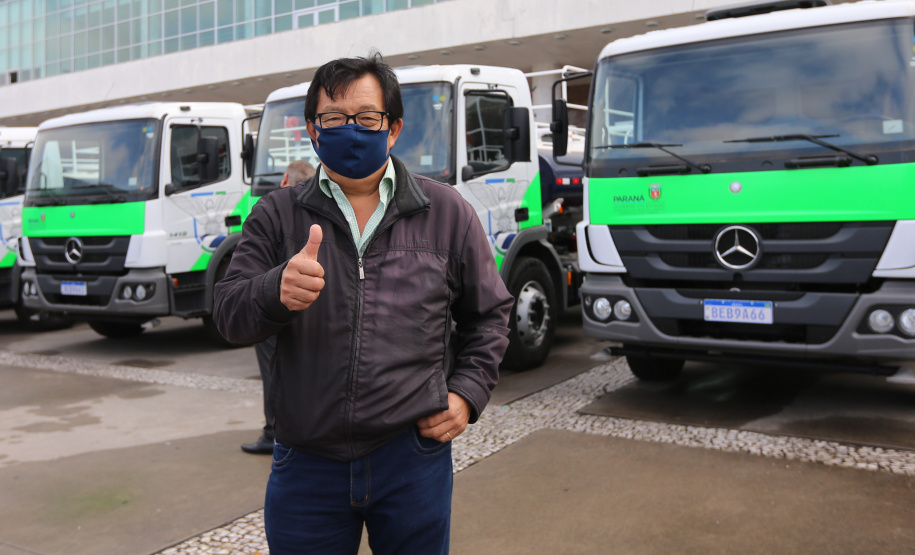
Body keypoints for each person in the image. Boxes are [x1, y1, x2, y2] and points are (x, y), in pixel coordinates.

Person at [213, 53, 513, 554]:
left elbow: (490, 315)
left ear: (392, 128)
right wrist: (273, 290)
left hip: (412, 459)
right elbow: (227, 313)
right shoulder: (275, 214)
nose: (350, 129)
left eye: (366, 118)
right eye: (333, 118)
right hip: (306, 465)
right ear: (312, 129)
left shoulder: (446, 212)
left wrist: (466, 393)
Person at [241, 158, 317, 455]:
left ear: (285, 178)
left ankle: (272, 432)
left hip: (280, 309)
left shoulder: (273, 212)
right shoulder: (321, 212)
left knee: (273, 369)